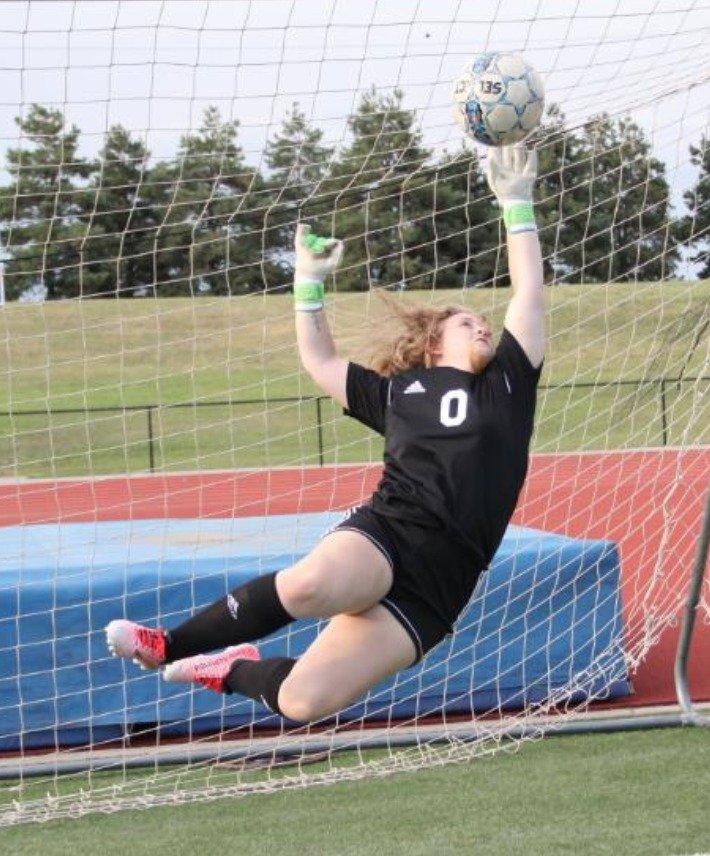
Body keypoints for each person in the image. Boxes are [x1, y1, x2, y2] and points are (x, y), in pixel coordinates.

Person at [105, 144, 544, 723]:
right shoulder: (398, 395)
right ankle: (169, 644)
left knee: (302, 701)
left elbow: (529, 291)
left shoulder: (510, 382)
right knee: (311, 585)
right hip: (392, 530)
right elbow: (320, 360)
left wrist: (516, 203)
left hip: (443, 581)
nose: (483, 324)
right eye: (468, 321)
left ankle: (230, 667)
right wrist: (307, 281)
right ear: (434, 342)